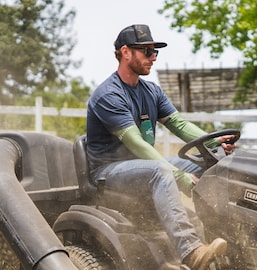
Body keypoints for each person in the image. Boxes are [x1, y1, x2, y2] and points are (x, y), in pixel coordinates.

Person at [86, 24, 236, 270]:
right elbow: (136, 143)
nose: (153, 58)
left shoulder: (151, 90)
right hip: (108, 173)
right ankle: (191, 251)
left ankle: (219, 234)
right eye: (147, 51)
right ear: (125, 52)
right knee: (161, 169)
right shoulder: (108, 95)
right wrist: (181, 177)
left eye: (156, 52)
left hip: (144, 166)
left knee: (209, 161)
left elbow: (178, 124)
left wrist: (213, 143)